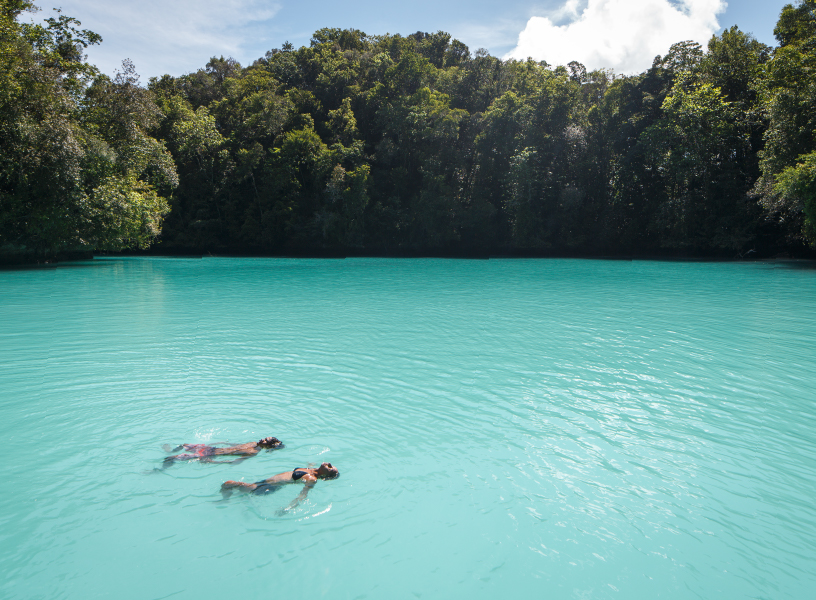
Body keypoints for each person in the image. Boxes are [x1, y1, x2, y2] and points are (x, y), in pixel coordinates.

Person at [220, 462, 339, 513]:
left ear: (326, 475)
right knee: (235, 488)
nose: (328, 464)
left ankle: (225, 500)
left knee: (228, 483)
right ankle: (228, 498)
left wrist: (288, 508)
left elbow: (303, 494)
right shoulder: (311, 469)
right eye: (330, 464)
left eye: (330, 468)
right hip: (266, 481)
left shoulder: (312, 478)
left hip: (270, 486)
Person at [162, 436, 284, 468]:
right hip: (212, 449)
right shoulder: (253, 443)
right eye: (264, 438)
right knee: (184, 445)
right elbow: (235, 445)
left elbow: (235, 461)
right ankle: (170, 451)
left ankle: (159, 470)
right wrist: (221, 442)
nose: (262, 439)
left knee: (172, 458)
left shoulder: (254, 451)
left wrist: (212, 462)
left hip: (211, 454)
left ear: (267, 445)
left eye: (265, 440)